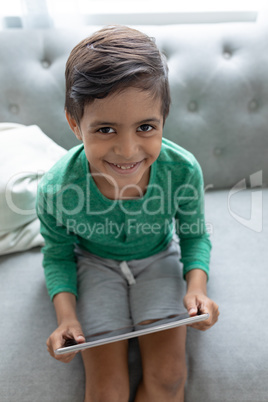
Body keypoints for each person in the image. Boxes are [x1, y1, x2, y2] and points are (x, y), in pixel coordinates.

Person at [36, 25, 219, 402]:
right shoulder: (55, 190)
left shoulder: (183, 171)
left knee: (169, 377)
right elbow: (57, 255)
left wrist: (196, 288)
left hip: (158, 261)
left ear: (164, 119)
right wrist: (66, 318)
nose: (128, 150)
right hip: (94, 265)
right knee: (106, 392)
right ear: (75, 124)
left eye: (146, 127)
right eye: (105, 129)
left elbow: (195, 235)